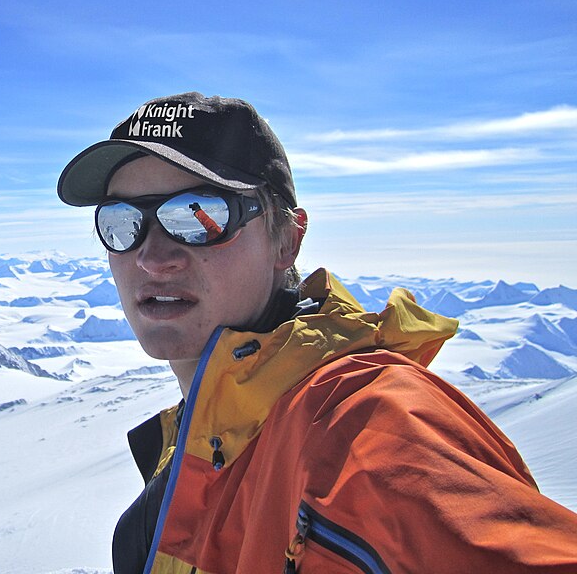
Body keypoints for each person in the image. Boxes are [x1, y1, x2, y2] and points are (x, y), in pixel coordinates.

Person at [56, 91, 577, 574]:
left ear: (287, 241)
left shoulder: (362, 423)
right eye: (123, 221)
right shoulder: (211, 439)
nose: (151, 256)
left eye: (201, 215)